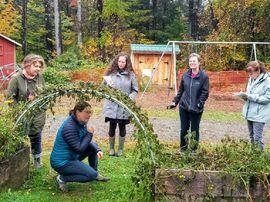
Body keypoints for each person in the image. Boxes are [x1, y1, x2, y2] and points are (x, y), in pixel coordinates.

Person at [50, 101, 109, 192]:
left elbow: (86, 141)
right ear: (78, 112)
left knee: (92, 148)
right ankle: (62, 178)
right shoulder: (69, 127)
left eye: (90, 112)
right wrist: (89, 134)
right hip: (62, 162)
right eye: (86, 112)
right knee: (90, 176)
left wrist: (97, 150)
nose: (89, 115)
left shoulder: (80, 122)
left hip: (71, 156)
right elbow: (79, 149)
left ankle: (94, 173)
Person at [6, 54, 46, 168]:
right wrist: (19, 111)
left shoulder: (40, 78)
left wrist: (42, 108)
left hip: (37, 115)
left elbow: (44, 94)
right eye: (35, 66)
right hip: (21, 115)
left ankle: (37, 162)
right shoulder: (16, 79)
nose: (38, 68)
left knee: (36, 138)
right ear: (27, 65)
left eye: (39, 66)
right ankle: (19, 163)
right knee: (20, 140)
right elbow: (9, 98)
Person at [169, 53, 209, 151]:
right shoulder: (185, 75)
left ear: (199, 63)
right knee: (184, 130)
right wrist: (175, 102)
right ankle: (183, 150)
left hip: (196, 108)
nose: (192, 63)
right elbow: (181, 91)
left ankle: (193, 151)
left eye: (194, 61)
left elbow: (205, 92)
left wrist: (200, 103)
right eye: (190, 61)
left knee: (194, 130)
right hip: (184, 107)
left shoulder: (203, 76)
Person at [103, 52, 138, 156]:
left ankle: (120, 149)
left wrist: (129, 98)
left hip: (124, 106)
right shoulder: (111, 73)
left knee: (122, 127)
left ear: (126, 63)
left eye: (123, 61)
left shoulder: (131, 75)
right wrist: (108, 89)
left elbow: (135, 90)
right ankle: (111, 149)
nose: (121, 63)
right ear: (116, 61)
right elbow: (103, 88)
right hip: (112, 105)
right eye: (119, 61)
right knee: (112, 126)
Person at [237, 61, 270, 150]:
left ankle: (259, 160)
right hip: (250, 113)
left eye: (251, 73)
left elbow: (267, 98)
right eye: (249, 74)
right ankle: (254, 157)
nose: (250, 76)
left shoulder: (267, 80)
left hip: (260, 114)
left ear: (258, 70)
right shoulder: (251, 79)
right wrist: (244, 96)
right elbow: (249, 94)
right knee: (252, 136)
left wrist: (250, 97)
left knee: (257, 138)